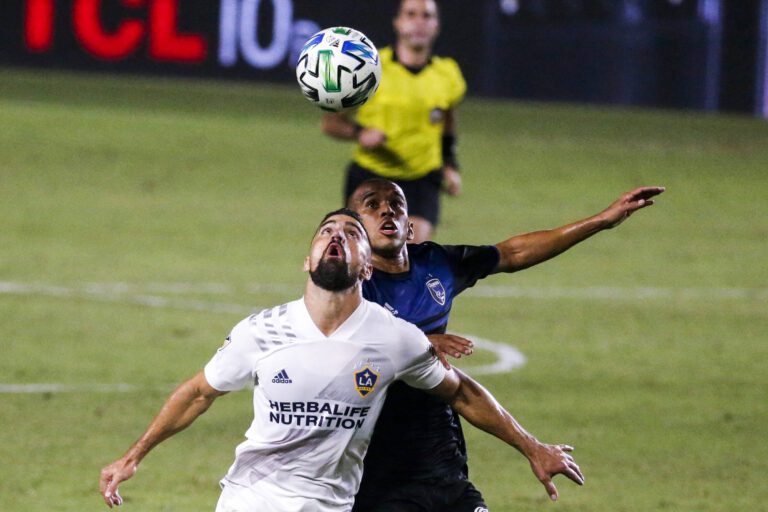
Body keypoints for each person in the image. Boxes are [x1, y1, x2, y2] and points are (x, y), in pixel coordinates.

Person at [99, 208, 583, 511]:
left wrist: (532, 446)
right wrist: (133, 455)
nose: (335, 235)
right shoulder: (261, 331)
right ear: (307, 260)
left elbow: (464, 393)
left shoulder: (395, 339)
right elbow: (198, 392)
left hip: (335, 504)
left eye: (350, 233)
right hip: (252, 500)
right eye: (326, 230)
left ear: (367, 263)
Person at [347, 179, 665, 511]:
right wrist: (419, 341)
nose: (387, 210)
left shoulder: (435, 263)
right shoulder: (348, 285)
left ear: (410, 227)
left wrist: (601, 220)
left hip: (438, 445)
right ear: (355, 230)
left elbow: (512, 253)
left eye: (396, 204)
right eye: (372, 204)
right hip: (373, 452)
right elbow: (342, 343)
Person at [322, 0, 465, 243]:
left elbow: (447, 122)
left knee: (411, 255)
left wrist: (449, 164)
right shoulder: (370, 69)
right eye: (411, 14)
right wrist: (359, 132)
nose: (419, 22)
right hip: (371, 176)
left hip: (421, 179)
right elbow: (331, 123)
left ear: (436, 25)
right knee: (364, 259)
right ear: (397, 23)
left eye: (427, 16)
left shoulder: (448, 74)